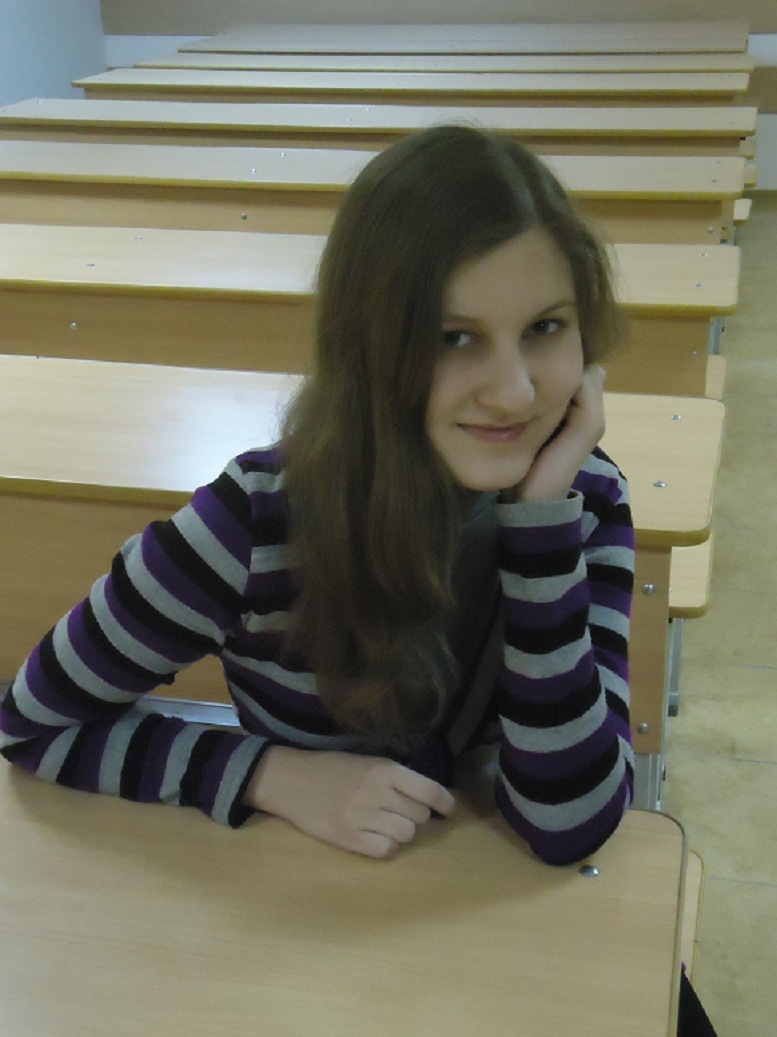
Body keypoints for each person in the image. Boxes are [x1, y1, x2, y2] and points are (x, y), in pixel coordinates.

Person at [0, 124, 635, 867]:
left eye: (545, 328)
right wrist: (270, 775)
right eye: (453, 337)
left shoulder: (582, 499)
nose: (515, 392)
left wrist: (540, 531)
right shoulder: (252, 523)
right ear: (369, 347)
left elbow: (569, 824)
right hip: (298, 908)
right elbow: (29, 723)